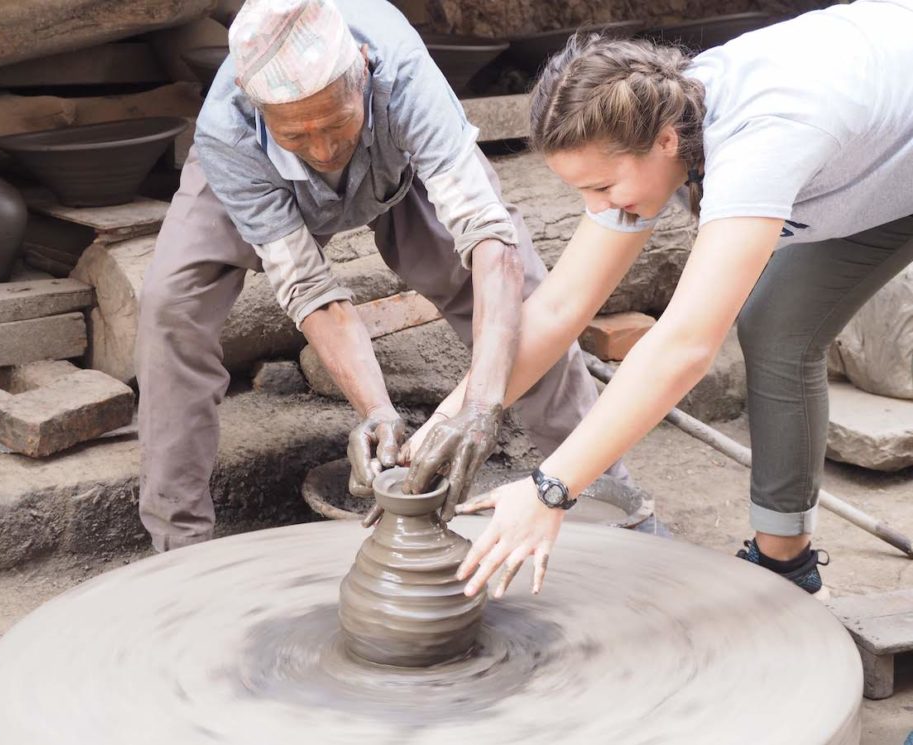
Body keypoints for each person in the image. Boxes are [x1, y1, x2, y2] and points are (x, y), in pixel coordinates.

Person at [413, 0, 913, 599]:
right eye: (581, 191)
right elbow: (557, 308)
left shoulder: (762, 140)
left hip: (886, 125)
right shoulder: (653, 122)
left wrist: (551, 488)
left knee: (766, 324)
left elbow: (683, 346)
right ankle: (788, 565)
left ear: (666, 142)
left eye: (602, 186)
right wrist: (454, 419)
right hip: (873, 156)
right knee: (779, 327)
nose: (596, 207)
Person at [134, 0, 630, 551]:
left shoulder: (405, 76)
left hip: (396, 161)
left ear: (365, 70)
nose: (323, 151)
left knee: (527, 308)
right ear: (256, 111)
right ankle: (176, 549)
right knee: (169, 312)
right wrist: (376, 411)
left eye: (334, 124)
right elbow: (312, 291)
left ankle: (608, 505)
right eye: (300, 136)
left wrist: (482, 406)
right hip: (261, 175)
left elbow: (491, 245)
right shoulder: (231, 133)